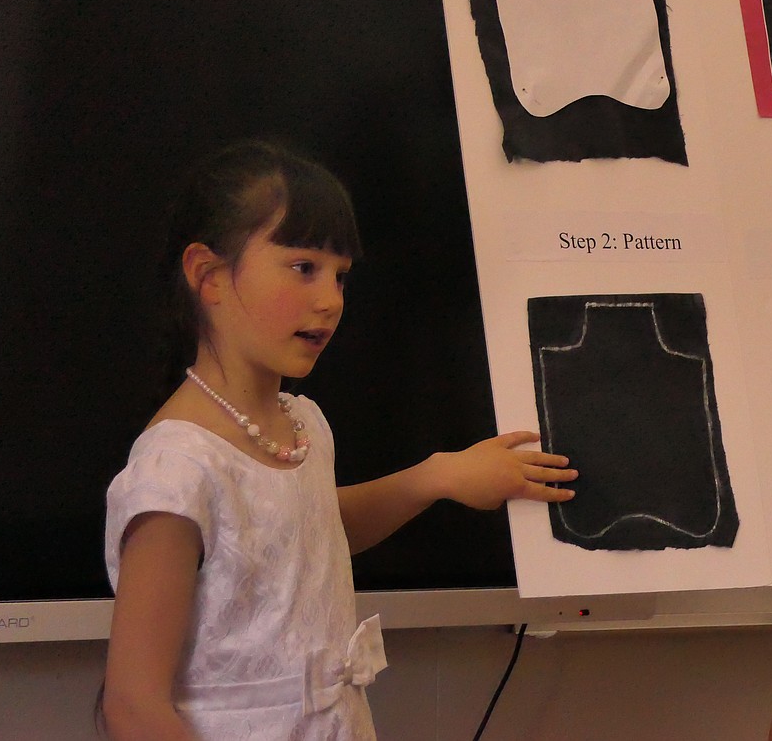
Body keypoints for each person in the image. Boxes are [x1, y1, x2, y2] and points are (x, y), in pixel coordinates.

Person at [101, 140, 577, 740]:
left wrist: (438, 477)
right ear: (209, 276)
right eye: (303, 267)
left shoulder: (301, 423)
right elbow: (133, 705)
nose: (330, 300)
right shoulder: (176, 467)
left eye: (340, 276)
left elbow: (306, 536)